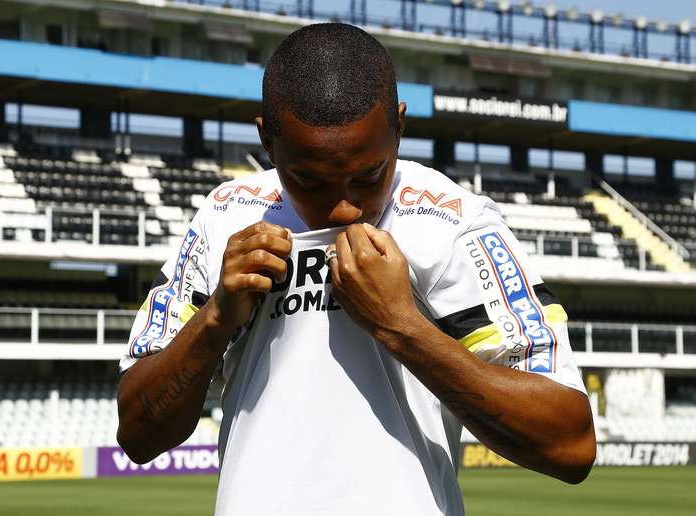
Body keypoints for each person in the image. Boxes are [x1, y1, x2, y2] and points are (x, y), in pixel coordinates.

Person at [116, 23, 595, 516]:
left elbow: (570, 444)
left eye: (369, 176)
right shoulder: (228, 215)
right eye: (309, 180)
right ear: (267, 141)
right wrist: (216, 317)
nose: (344, 209)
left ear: (399, 126)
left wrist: (401, 326)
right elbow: (137, 433)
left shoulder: (453, 224)